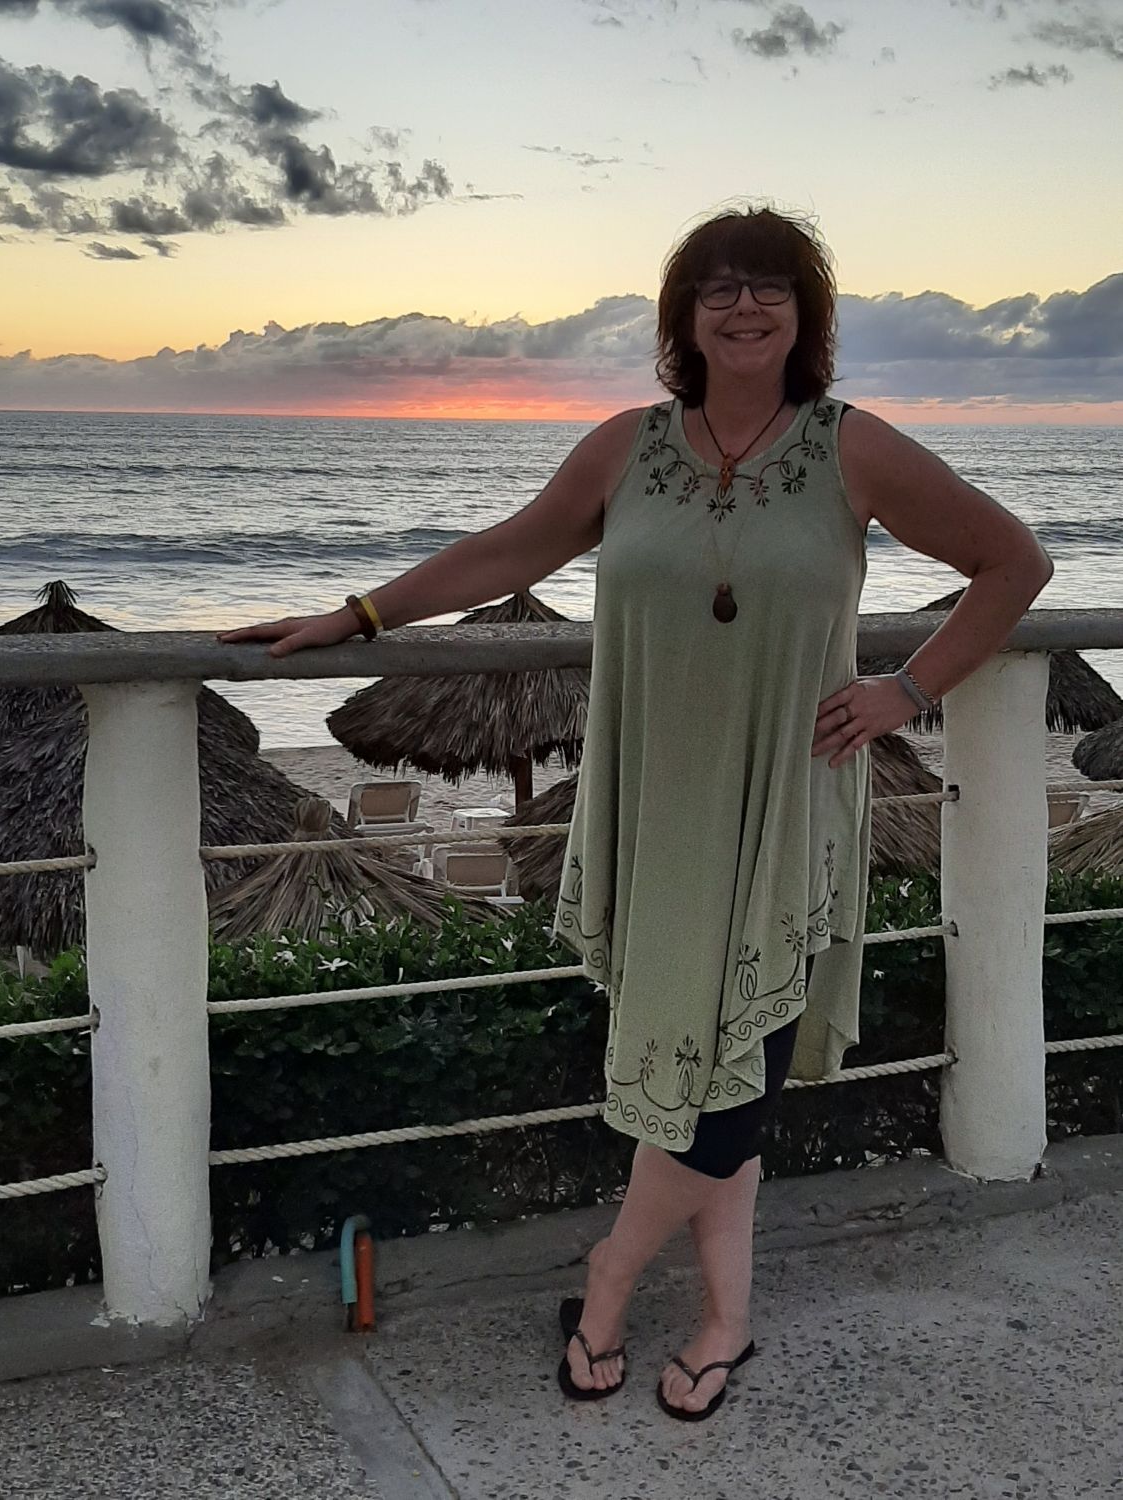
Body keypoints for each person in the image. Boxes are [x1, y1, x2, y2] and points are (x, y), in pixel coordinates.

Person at [221, 206, 1053, 1420]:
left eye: (770, 286)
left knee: (735, 1078)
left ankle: (609, 1275)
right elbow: (511, 550)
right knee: (714, 1076)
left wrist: (908, 690)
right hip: (658, 805)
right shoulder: (627, 447)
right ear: (684, 318)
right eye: (719, 287)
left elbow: (1014, 562)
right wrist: (358, 616)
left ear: (805, 314)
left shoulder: (853, 447)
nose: (744, 305)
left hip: (784, 803)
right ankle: (726, 1320)